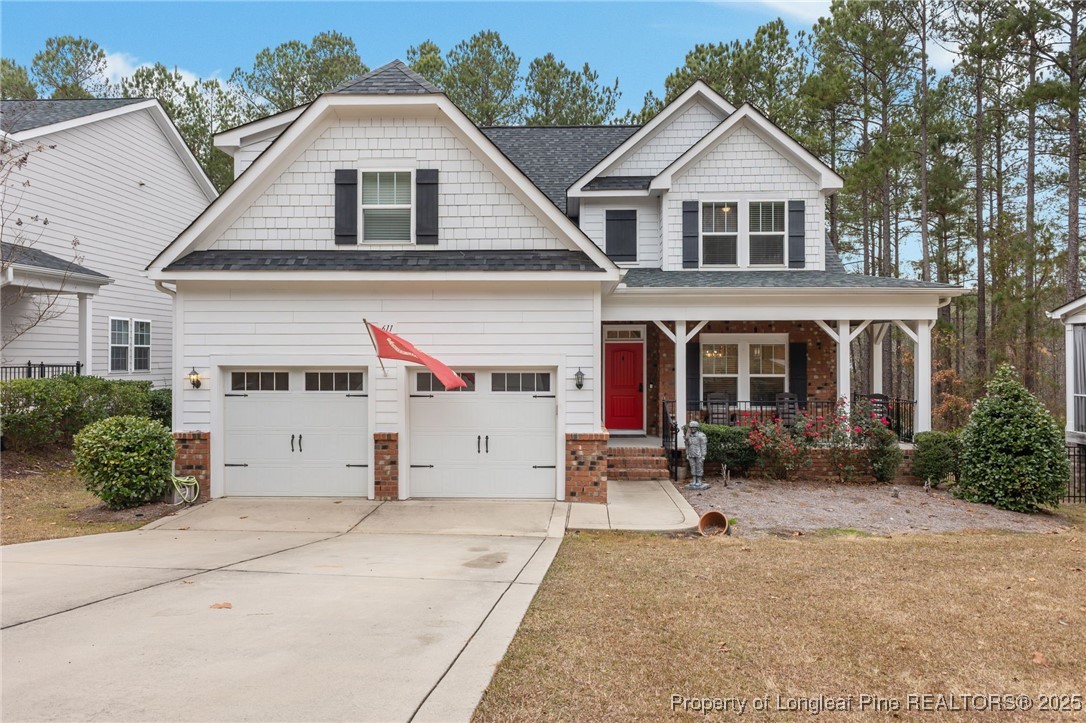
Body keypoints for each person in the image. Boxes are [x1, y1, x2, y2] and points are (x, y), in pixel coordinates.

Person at [684, 420, 709, 490]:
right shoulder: (688, 436)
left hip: (699, 454)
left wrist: (703, 455)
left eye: (694, 428)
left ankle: (699, 480)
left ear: (697, 428)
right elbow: (687, 446)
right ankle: (694, 480)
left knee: (699, 467)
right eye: (691, 427)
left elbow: (703, 446)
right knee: (692, 467)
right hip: (691, 454)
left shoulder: (701, 436)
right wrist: (687, 454)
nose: (692, 429)